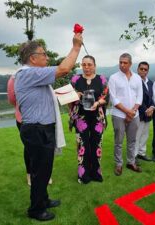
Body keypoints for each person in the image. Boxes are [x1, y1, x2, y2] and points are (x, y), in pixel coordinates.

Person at [15, 33, 82, 221]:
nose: (47, 57)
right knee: (40, 171)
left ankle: (43, 199)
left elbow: (47, 97)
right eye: (43, 54)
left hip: (41, 129)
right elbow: (64, 69)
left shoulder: (34, 75)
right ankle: (36, 210)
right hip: (37, 130)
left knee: (45, 169)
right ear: (32, 58)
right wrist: (76, 47)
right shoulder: (28, 73)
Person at [69, 55, 109, 184]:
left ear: (94, 66)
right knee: (83, 146)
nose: (86, 67)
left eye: (89, 64)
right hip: (81, 117)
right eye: (84, 64)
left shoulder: (101, 79)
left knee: (96, 145)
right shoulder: (75, 80)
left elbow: (106, 97)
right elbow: (69, 99)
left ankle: (95, 173)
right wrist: (76, 95)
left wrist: (97, 103)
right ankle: (83, 175)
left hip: (97, 117)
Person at [7, 76, 52, 186]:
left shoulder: (43, 76)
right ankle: (30, 175)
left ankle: (46, 174)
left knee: (44, 147)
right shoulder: (14, 78)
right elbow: (12, 100)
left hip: (43, 118)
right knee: (29, 148)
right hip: (24, 119)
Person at [109, 53, 143, 176]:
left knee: (132, 140)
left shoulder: (137, 78)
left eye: (125, 63)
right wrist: (128, 112)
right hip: (119, 115)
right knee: (118, 141)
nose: (122, 65)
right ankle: (118, 164)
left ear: (130, 64)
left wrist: (132, 111)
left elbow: (139, 97)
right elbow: (114, 99)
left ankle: (131, 162)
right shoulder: (113, 78)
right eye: (120, 62)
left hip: (135, 114)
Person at [135, 61, 155, 162]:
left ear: (148, 71)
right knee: (136, 135)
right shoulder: (134, 81)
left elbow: (152, 97)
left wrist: (152, 107)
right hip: (138, 113)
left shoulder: (150, 82)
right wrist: (145, 109)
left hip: (149, 113)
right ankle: (133, 156)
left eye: (145, 69)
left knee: (145, 134)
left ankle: (141, 153)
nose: (143, 71)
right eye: (141, 69)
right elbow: (136, 98)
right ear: (137, 69)